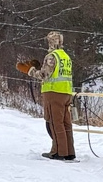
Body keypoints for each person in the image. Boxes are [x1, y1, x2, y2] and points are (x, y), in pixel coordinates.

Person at [30, 31, 76, 161]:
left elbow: (44, 75)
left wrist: (31, 71)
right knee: (66, 123)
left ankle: (58, 152)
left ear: (50, 42)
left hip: (54, 93)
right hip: (66, 93)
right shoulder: (66, 56)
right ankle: (69, 152)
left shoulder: (51, 56)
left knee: (55, 123)